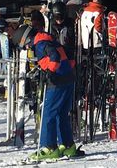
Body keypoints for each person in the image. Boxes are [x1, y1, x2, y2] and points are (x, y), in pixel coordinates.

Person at [28, 11, 83, 160]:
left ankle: (49, 147)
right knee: (61, 114)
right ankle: (67, 145)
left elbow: (54, 57)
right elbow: (68, 56)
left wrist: (50, 72)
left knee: (48, 114)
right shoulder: (52, 39)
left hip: (56, 81)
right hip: (68, 78)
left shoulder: (40, 43)